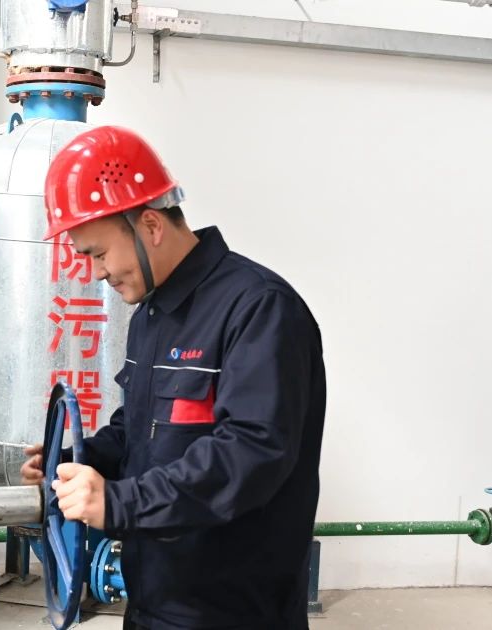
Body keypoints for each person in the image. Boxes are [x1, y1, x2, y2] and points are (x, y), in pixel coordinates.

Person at [21, 126, 326, 630]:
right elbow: (138, 430)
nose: (97, 273)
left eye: (98, 253)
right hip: (154, 599)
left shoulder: (259, 309)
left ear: (150, 225)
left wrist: (119, 503)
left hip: (232, 613)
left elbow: (252, 453)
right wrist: (77, 460)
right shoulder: (151, 315)